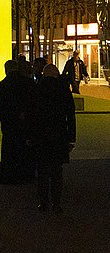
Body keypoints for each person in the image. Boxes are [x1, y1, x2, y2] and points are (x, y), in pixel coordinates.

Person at [29, 63, 76, 213]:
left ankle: (43, 203)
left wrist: (30, 135)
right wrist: (71, 137)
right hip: (59, 135)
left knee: (42, 170)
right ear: (56, 74)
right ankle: (57, 203)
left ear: (44, 74)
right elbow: (71, 114)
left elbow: (32, 115)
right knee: (57, 171)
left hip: (40, 135)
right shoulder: (63, 89)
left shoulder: (37, 89)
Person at [0, 59, 35, 184]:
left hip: (9, 121)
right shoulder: (28, 83)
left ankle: (9, 176)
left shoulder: (2, 85)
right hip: (25, 122)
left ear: (6, 70)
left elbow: (0, 104)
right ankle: (26, 176)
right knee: (25, 149)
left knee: (9, 148)